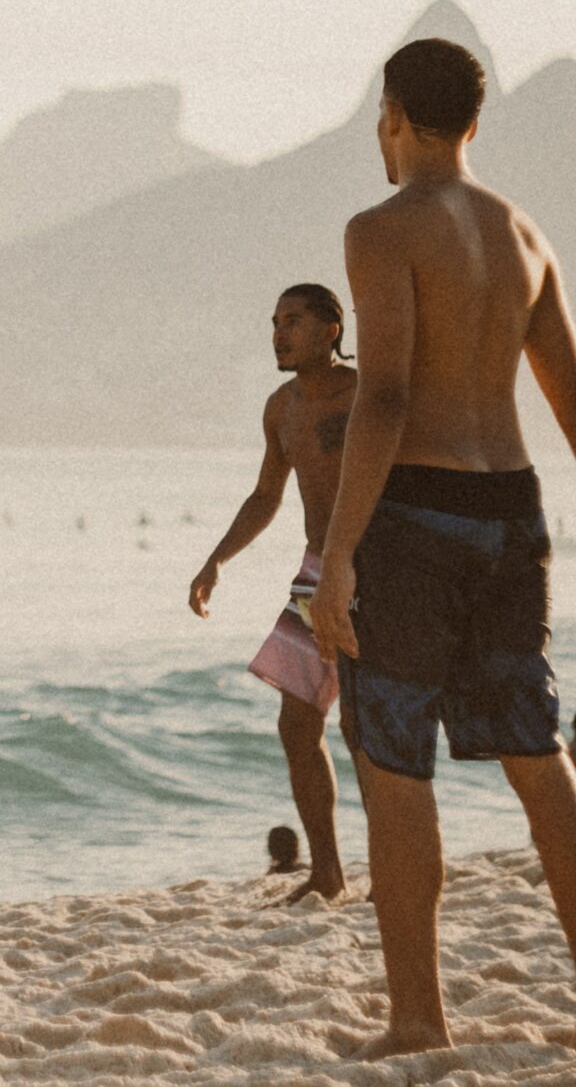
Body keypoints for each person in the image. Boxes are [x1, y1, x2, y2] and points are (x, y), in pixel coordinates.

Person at [305, 37, 576, 1057]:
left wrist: (339, 553)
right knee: (537, 759)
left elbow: (385, 396)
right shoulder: (524, 233)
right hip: (512, 511)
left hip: (415, 515)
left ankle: (418, 1019)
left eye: (379, 123)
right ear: (474, 123)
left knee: (395, 769)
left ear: (392, 115)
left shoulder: (378, 229)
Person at [188, 284, 360, 902]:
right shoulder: (280, 408)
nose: (279, 333)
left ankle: (398, 863)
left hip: (376, 568)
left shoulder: (367, 394)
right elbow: (267, 495)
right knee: (297, 725)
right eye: (274, 322)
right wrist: (216, 560)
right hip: (316, 573)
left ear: (331, 329)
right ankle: (329, 871)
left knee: (366, 724)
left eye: (293, 320)